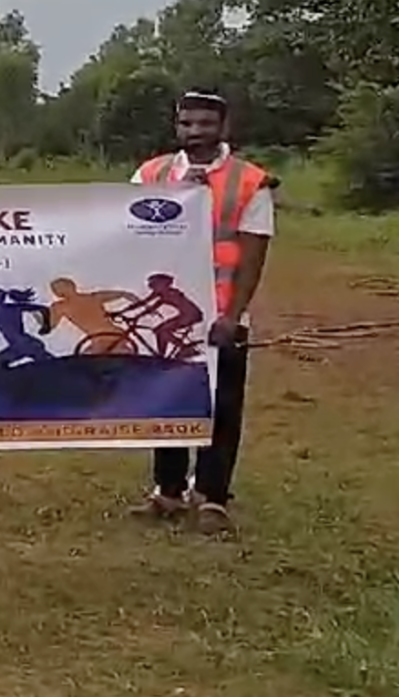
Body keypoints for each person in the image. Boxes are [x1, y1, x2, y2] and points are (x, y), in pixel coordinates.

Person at [128, 90, 274, 536]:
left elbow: (253, 255)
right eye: (186, 124)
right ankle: (167, 491)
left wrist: (234, 315)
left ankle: (213, 497)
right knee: (167, 401)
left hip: (221, 316)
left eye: (205, 124)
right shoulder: (150, 174)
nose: (195, 133)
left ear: (223, 127)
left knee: (223, 406)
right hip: (167, 325)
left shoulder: (250, 182)